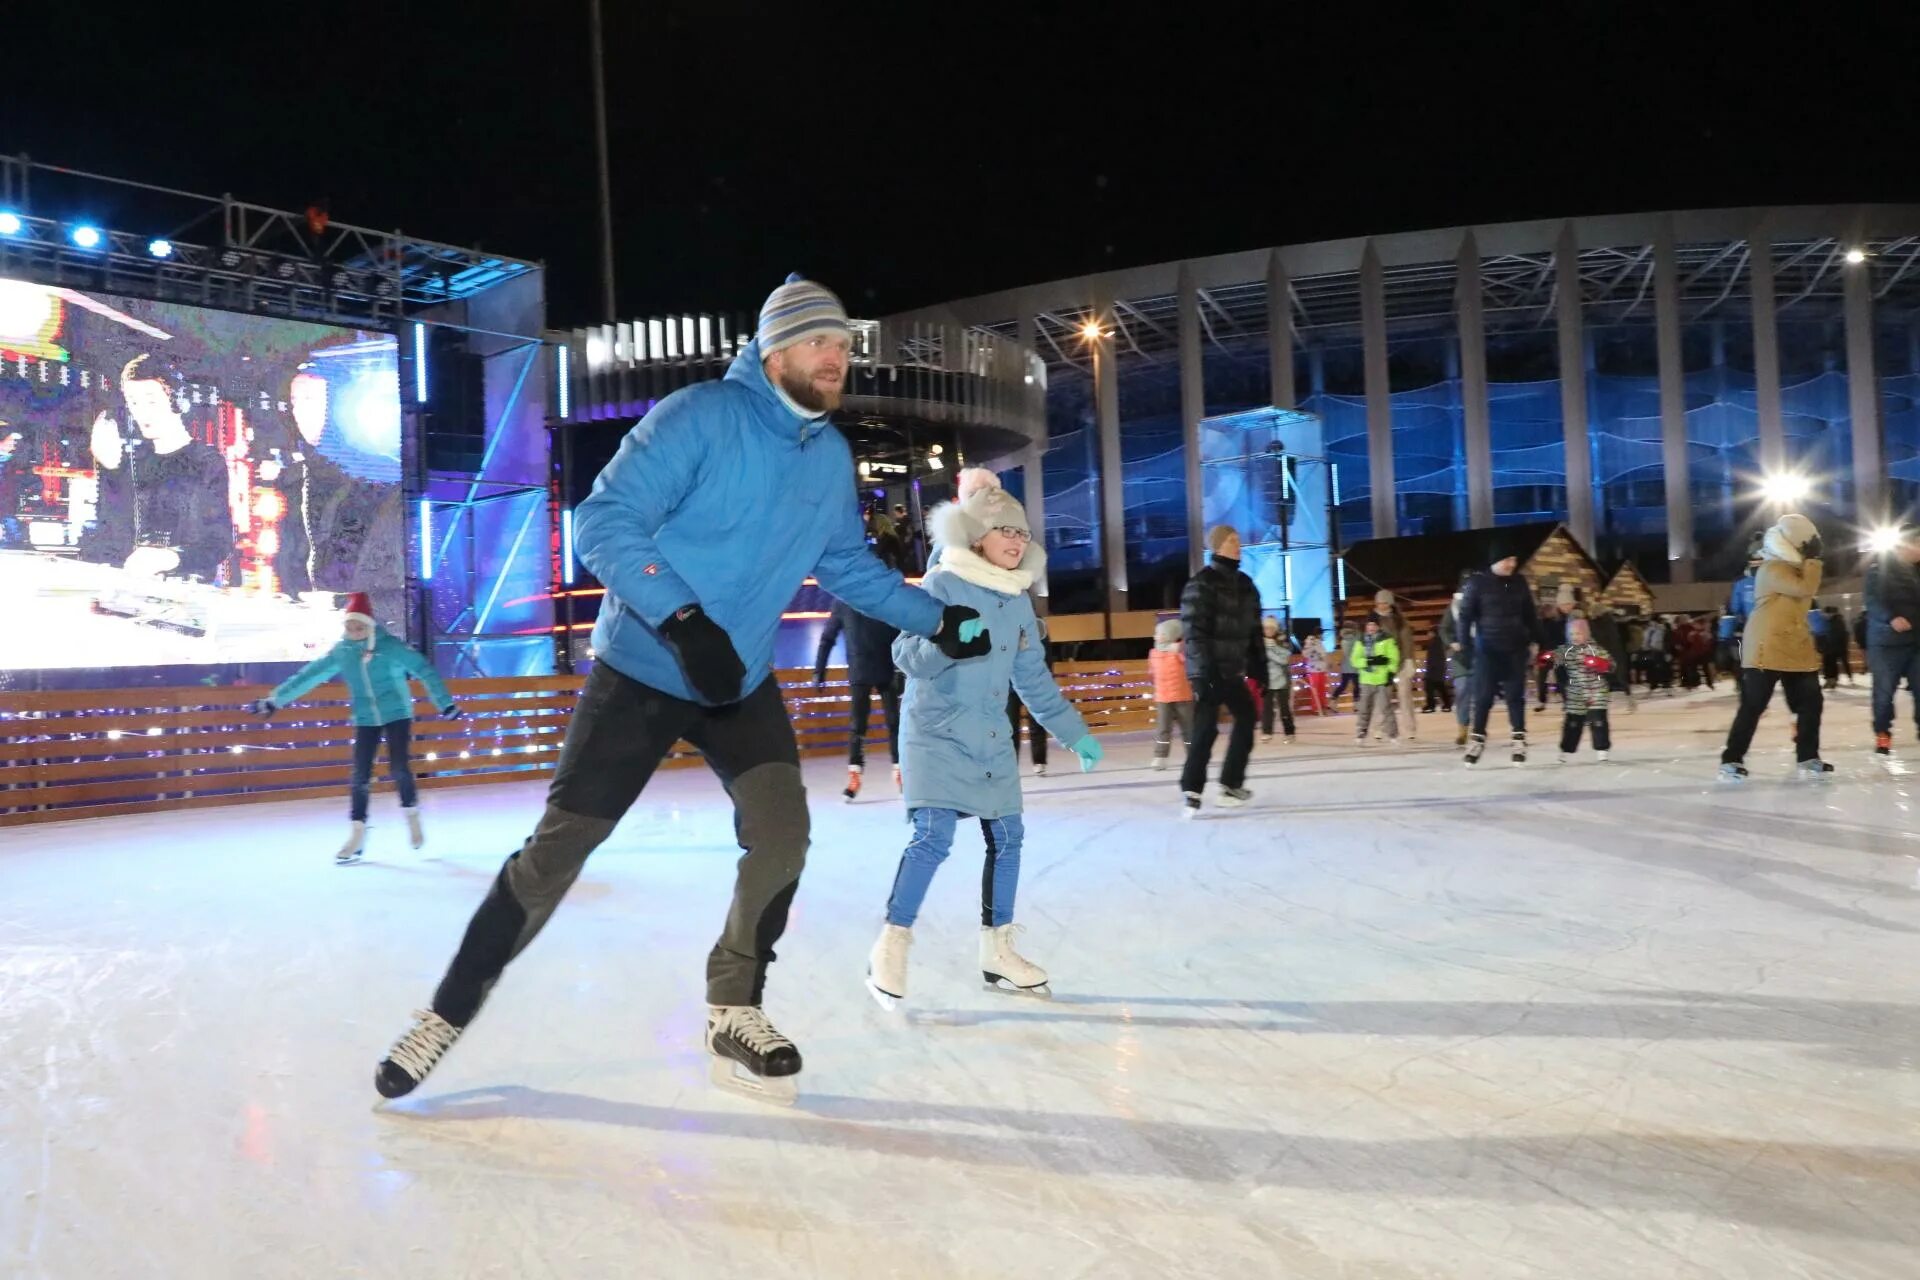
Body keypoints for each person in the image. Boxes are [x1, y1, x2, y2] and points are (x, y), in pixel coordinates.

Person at [370, 276, 991, 1105]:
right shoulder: (701, 416)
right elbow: (602, 520)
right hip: (644, 671)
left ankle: (734, 1007)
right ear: (774, 353)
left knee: (781, 836)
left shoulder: (830, 455)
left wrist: (935, 618)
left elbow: (843, 564)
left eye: (843, 343)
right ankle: (445, 1012)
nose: (837, 357)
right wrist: (682, 618)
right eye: (819, 342)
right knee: (558, 853)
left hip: (737, 683)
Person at [865, 468, 1101, 1010]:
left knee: (1010, 838)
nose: (1018, 542)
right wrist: (949, 641)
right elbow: (905, 657)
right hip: (935, 733)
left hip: (991, 736)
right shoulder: (943, 583)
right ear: (977, 538)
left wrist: (1074, 734)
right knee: (933, 837)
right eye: (1007, 532)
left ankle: (998, 949)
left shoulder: (1018, 601)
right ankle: (891, 944)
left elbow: (1034, 681)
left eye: (1023, 534)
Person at [252, 592, 460, 863]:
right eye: (350, 627)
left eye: (359, 627)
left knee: (399, 767)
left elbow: (423, 668)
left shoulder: (390, 647)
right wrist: (274, 700)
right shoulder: (343, 652)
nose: (354, 632)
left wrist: (444, 703)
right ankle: (358, 833)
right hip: (365, 718)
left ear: (371, 625)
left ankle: (412, 816)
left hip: (396, 712)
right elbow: (310, 675)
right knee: (360, 775)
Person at [80, 354, 235, 581]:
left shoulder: (206, 462)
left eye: (151, 401)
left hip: (190, 596)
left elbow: (218, 543)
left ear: (178, 402)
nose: (142, 411)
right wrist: (110, 471)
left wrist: (171, 558)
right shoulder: (133, 462)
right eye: (133, 402)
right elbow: (112, 536)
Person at [1720, 513, 1831, 780]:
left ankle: (1808, 756)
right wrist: (1814, 560)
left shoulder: (1793, 568)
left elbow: (1808, 600)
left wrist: (1821, 632)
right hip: (1766, 645)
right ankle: (1731, 759)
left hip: (1796, 644)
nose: (1810, 550)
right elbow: (1804, 588)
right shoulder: (1772, 568)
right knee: (1754, 704)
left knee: (1810, 702)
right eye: (1806, 545)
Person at [814, 532, 910, 800]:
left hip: (887, 667)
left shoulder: (883, 597)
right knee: (858, 724)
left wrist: (904, 667)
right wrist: (818, 670)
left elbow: (901, 631)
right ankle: (855, 774)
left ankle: (900, 769)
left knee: (895, 722)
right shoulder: (844, 601)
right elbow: (828, 637)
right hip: (860, 669)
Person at [1178, 525, 1264, 816]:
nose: (1237, 544)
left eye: (1239, 540)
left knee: (1248, 715)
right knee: (1206, 727)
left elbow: (1253, 631)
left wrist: (1258, 665)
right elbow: (1194, 632)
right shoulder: (1201, 584)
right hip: (1210, 671)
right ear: (1216, 547)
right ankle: (1191, 789)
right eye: (1231, 540)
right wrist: (1203, 673)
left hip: (1232, 670)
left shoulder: (1246, 585)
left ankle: (1230, 785)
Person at [1458, 542, 1541, 765]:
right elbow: (1465, 616)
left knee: (1515, 697)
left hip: (1515, 649)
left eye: (1514, 560)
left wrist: (1536, 639)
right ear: (1496, 560)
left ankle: (1519, 740)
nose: (1512, 565)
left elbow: (1530, 614)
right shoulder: (1478, 583)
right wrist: (1464, 647)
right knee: (1483, 697)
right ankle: (1477, 740)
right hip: (1488, 651)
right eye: (1508, 560)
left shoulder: (1519, 582)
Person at [1864, 528, 1920, 755]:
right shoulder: (1879, 570)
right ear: (1906, 545)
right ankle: (1882, 733)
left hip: (1916, 641)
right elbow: (1872, 600)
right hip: (1887, 643)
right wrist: (1891, 618)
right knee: (1884, 693)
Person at [1556, 615, 1615, 763]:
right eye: (1572, 634)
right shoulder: (1568, 651)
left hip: (1596, 690)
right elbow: (1555, 657)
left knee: (1598, 721)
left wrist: (1599, 663)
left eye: (1578, 633)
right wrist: (1547, 658)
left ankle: (1602, 749)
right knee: (1572, 723)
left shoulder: (1595, 649)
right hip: (1576, 692)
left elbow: (1612, 666)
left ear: (1586, 633)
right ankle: (1566, 750)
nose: (1574, 637)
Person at [1371, 590, 1419, 740]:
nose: (1382, 605)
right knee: (1382, 698)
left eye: (1385, 602)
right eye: (1379, 602)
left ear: (1390, 603)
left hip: (1400, 662)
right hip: (1382, 664)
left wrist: (1409, 660)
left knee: (1405, 696)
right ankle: (1379, 728)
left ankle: (1410, 729)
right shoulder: (1372, 620)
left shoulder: (1399, 620)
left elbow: (1406, 640)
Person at [1149, 617, 1195, 769]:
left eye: (1160, 633)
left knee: (1188, 729)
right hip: (1163, 697)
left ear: (1170, 635)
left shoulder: (1181, 651)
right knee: (1163, 729)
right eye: (1156, 633)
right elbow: (1151, 673)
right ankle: (1160, 756)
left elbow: (1190, 660)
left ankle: (1194, 755)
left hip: (1183, 696)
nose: (1156, 636)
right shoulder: (1154, 652)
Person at [1349, 614, 1400, 745]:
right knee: (1364, 708)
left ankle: (1392, 734)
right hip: (1366, 679)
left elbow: (1393, 657)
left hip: (1382, 679)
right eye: (1369, 625)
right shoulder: (1361, 640)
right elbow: (1354, 660)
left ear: (1378, 626)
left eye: (1374, 625)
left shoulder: (1387, 639)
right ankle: (1361, 733)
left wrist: (1390, 673)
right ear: (1366, 627)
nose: (1371, 628)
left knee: (1386, 708)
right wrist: (1369, 661)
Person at [1438, 583, 1476, 746]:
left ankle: (1478, 729)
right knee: (1462, 691)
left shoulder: (1480, 605)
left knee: (1477, 695)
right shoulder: (1452, 608)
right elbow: (1443, 629)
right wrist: (1451, 642)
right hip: (1459, 657)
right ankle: (1462, 729)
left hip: (1478, 655)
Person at [1259, 616, 1298, 744]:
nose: (1268, 630)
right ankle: (1266, 732)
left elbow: (1284, 659)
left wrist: (1269, 651)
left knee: (1284, 708)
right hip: (1267, 680)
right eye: (1266, 628)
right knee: (1267, 708)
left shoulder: (1282, 641)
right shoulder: (1259, 643)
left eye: (1270, 628)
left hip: (1282, 680)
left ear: (1275, 629)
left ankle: (1289, 732)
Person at [1534, 601, 1568, 711]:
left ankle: (1542, 702)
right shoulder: (1558, 623)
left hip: (1545, 653)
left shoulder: (1539, 624)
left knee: (1542, 678)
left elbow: (1536, 639)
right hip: (1555, 652)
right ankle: (1566, 702)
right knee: (1560, 677)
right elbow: (1562, 639)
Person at [1819, 605, 1854, 689]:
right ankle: (1832, 680)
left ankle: (1833, 681)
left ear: (1830, 613)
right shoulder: (1834, 621)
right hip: (1833, 648)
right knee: (1832, 665)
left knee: (1831, 665)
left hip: (1835, 648)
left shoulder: (1836, 622)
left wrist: (1828, 646)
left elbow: (1836, 636)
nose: (1825, 615)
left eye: (1826, 614)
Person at [1422, 622, 1453, 714]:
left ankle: (1431, 706)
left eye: (1429, 632)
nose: (1428, 634)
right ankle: (1447, 704)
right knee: (1440, 687)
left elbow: (1433, 658)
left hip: (1434, 670)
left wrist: (1429, 671)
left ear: (1433, 633)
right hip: (1438, 670)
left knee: (1430, 687)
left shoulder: (1435, 643)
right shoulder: (1438, 642)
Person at [1330, 622, 1360, 708]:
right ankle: (1356, 704)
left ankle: (1333, 700)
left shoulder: (1342, 639)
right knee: (1356, 685)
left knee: (1343, 685)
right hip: (1355, 665)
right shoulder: (1357, 638)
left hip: (1345, 665)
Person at [1301, 629, 1330, 714]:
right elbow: (1305, 653)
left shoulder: (1319, 642)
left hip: (1322, 668)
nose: (1322, 635)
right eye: (1321, 634)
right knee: (1315, 689)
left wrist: (1325, 662)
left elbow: (1323, 654)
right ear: (1318, 634)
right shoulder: (1310, 641)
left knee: (1322, 688)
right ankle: (1315, 708)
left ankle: (1322, 706)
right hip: (1314, 669)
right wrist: (1316, 655)